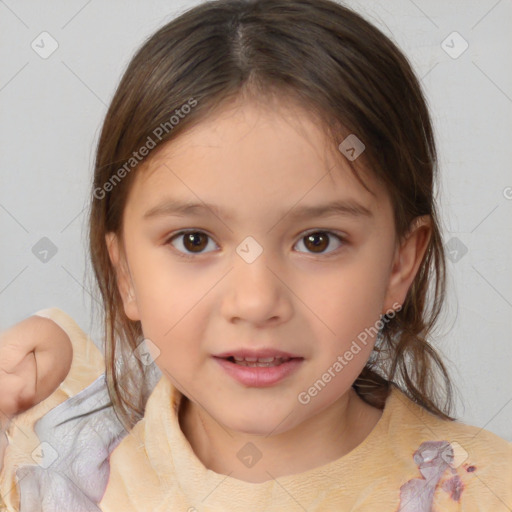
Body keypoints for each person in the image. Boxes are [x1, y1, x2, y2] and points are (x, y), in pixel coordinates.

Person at [1, 0, 511, 510]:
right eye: (194, 241)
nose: (255, 301)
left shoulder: (488, 491)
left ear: (400, 265)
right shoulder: (55, 474)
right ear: (126, 274)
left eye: (318, 241)